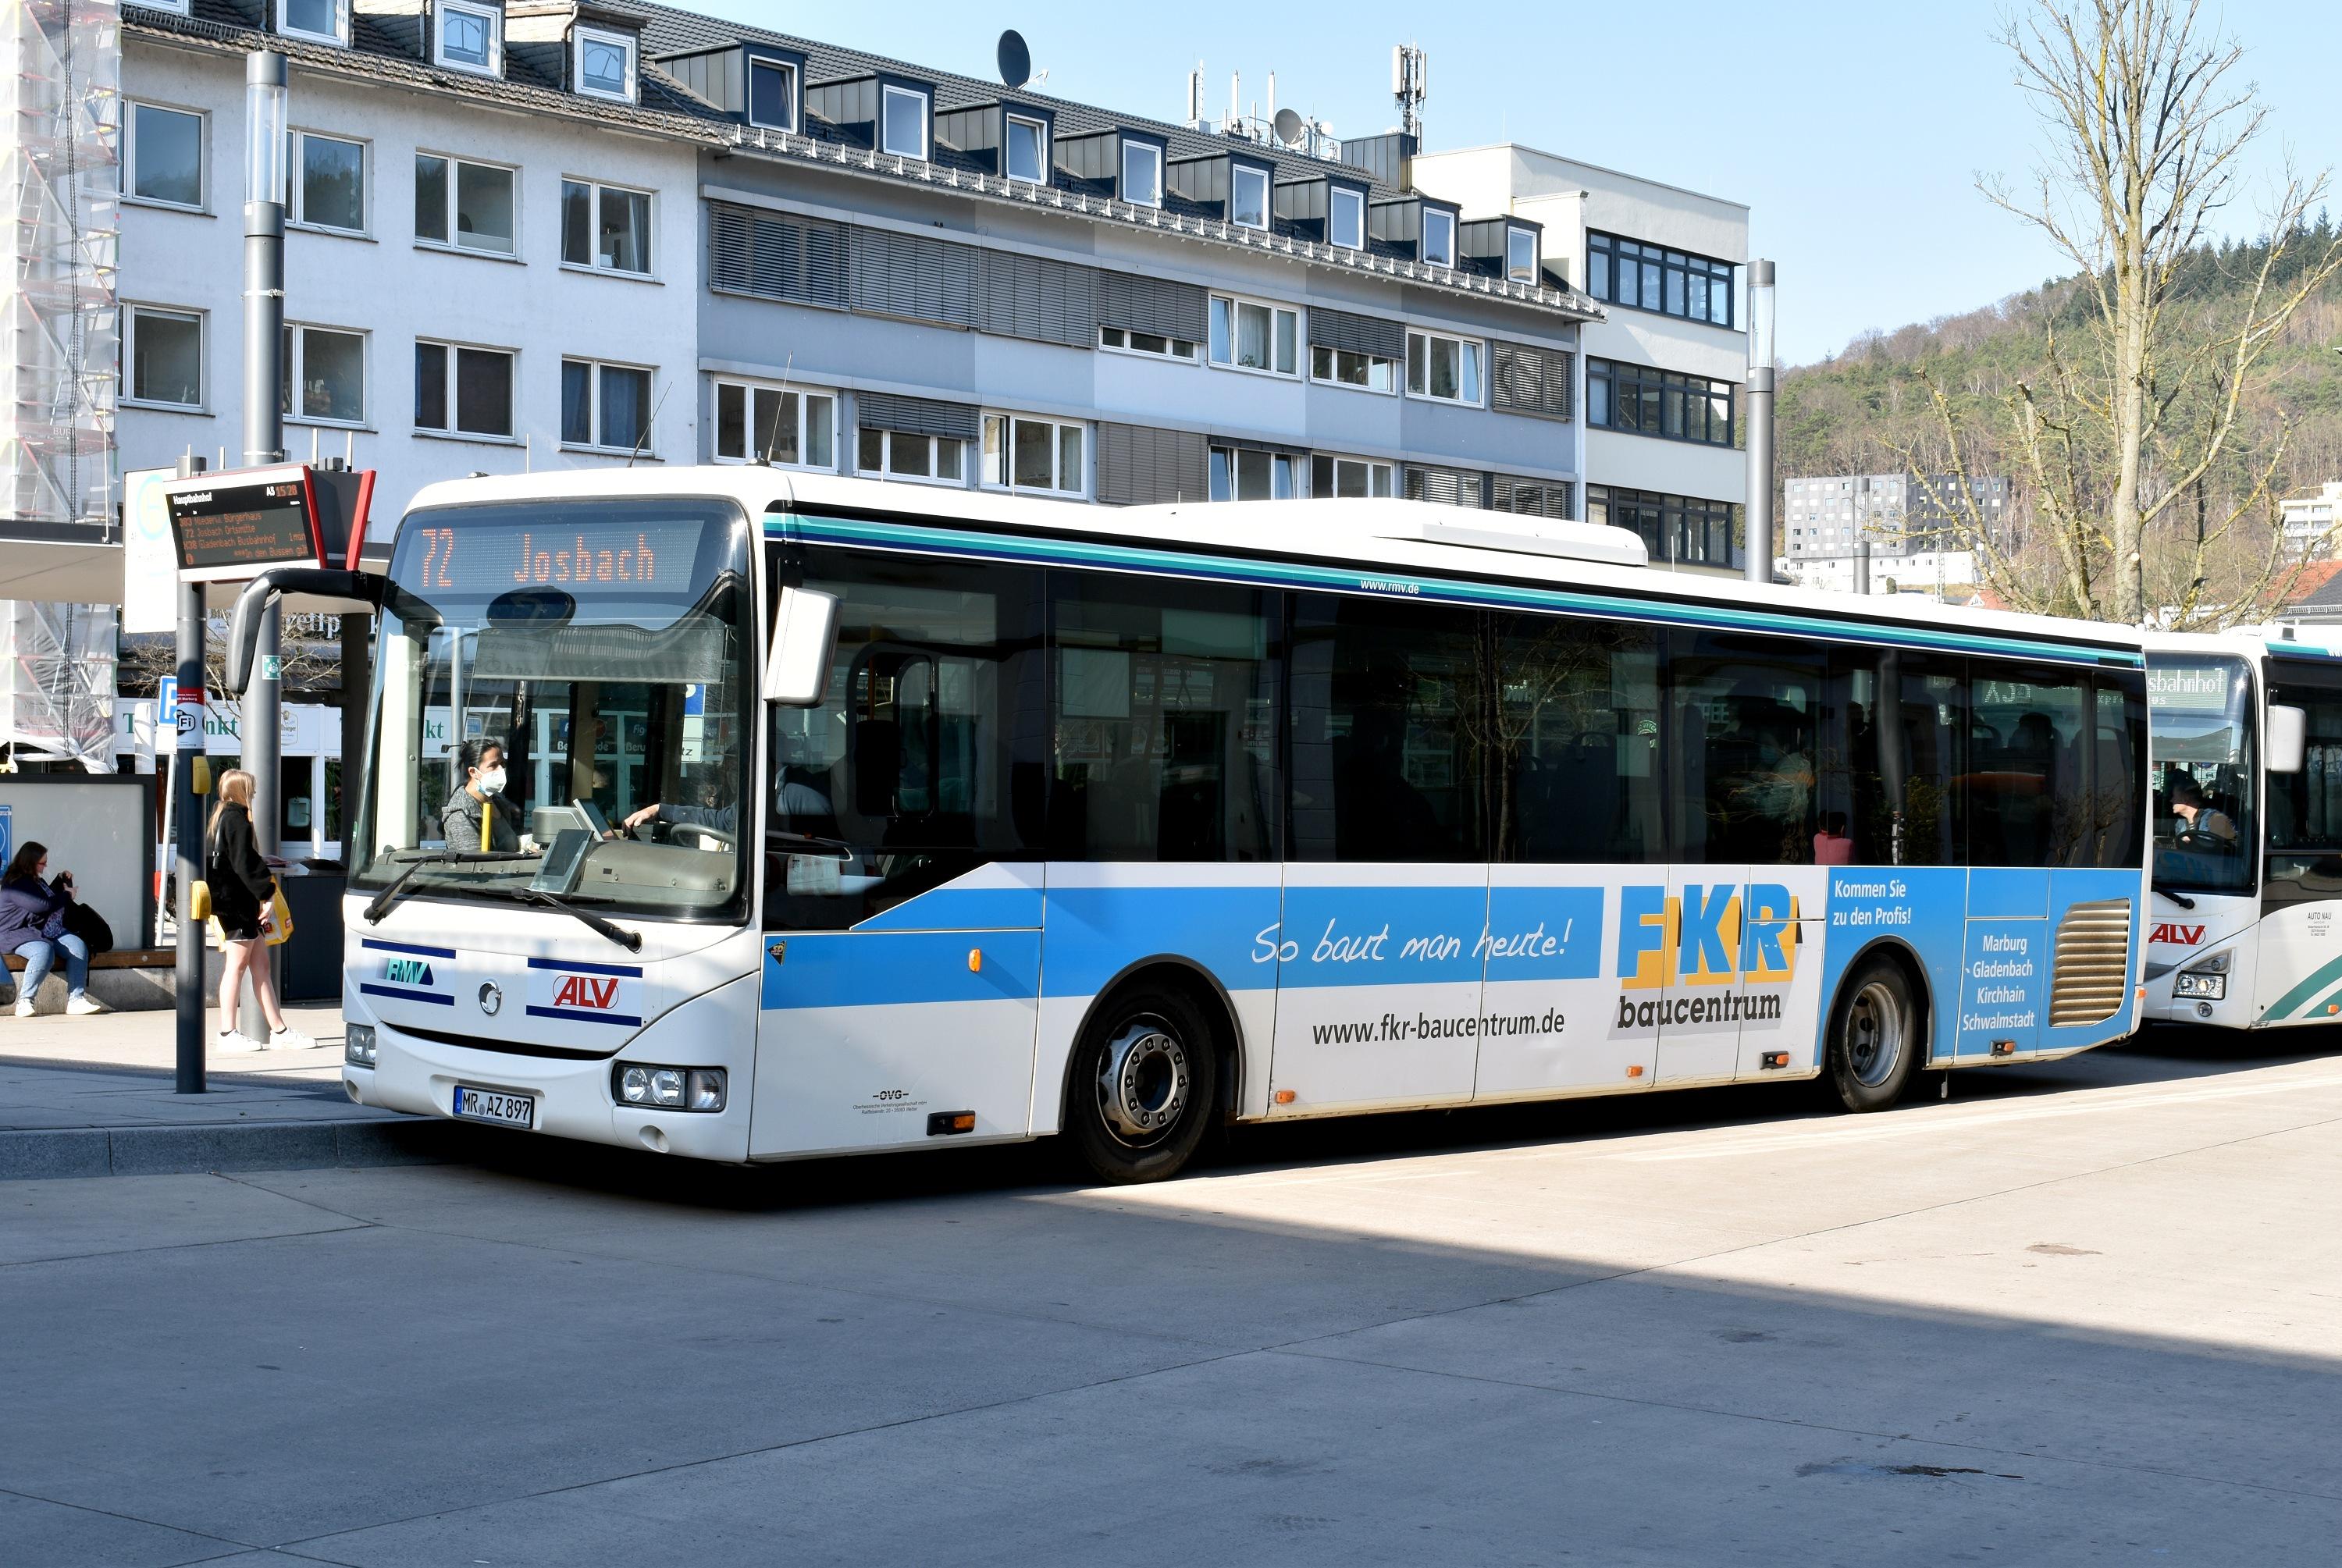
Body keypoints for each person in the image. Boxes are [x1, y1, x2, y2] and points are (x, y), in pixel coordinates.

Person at [206, 769, 313, 1053]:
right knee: (237, 968)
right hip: (238, 904)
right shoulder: (238, 820)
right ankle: (228, 1033)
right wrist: (266, 894)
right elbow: (244, 864)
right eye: (251, 789)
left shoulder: (220, 818)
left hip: (231, 901)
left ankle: (279, 1030)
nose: (253, 794)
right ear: (242, 791)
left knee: (260, 968)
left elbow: (237, 860)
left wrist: (263, 862)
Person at [0, 841, 107, 1017]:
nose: (45, 866)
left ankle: (76, 1000)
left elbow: (47, 896)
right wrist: (67, 895)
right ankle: (25, 1001)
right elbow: (42, 906)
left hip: (44, 929)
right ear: (30, 861)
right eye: (42, 863)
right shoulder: (15, 884)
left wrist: (60, 880)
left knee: (78, 947)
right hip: (16, 933)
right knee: (43, 950)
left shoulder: (36, 880)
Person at [441, 737, 523, 852]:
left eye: (502, 764)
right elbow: (477, 862)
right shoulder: (461, 815)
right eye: (493, 765)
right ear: (473, 772)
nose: (501, 770)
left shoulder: (498, 802)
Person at [2169, 772, 2239, 845]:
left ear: (2185, 798)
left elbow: (2231, 849)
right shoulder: (2180, 824)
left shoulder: (2215, 819)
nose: (2172, 800)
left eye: (2174, 796)